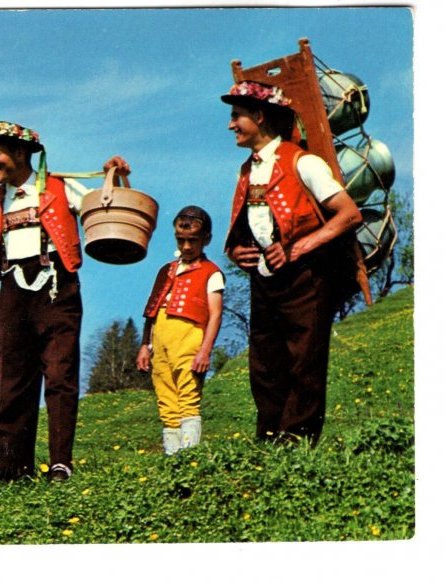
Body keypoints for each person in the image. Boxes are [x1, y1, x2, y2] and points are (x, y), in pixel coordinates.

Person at [0, 121, 130, 482]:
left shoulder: (59, 188)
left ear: (20, 153)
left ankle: (60, 464)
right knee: (13, 384)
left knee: (60, 376)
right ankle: (11, 470)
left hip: (57, 289)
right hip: (12, 294)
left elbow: (105, 207)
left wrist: (114, 176)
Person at [221, 81, 363, 445]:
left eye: (237, 116)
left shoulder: (304, 162)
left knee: (304, 362)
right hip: (265, 279)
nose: (231, 124)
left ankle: (296, 443)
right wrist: (238, 252)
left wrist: (299, 249)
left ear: (260, 116)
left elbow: (348, 215)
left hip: (307, 277)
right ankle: (269, 442)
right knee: (264, 366)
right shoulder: (246, 171)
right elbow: (246, 227)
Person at [136, 206, 224, 454]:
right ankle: (172, 455)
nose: (186, 246)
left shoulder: (211, 273)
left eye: (192, 241)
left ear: (205, 239)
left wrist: (205, 351)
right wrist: (145, 344)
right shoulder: (166, 270)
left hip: (188, 336)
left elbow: (215, 313)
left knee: (188, 394)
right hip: (160, 337)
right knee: (165, 395)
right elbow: (152, 309)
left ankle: (189, 453)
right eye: (181, 240)